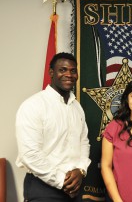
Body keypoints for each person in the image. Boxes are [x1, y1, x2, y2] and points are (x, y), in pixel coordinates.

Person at [16, 52, 91, 201]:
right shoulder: (33, 106)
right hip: (43, 189)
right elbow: (30, 155)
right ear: (51, 72)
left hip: (75, 187)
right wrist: (62, 180)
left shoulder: (77, 107)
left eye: (73, 70)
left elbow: (84, 142)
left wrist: (81, 170)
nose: (69, 74)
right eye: (62, 70)